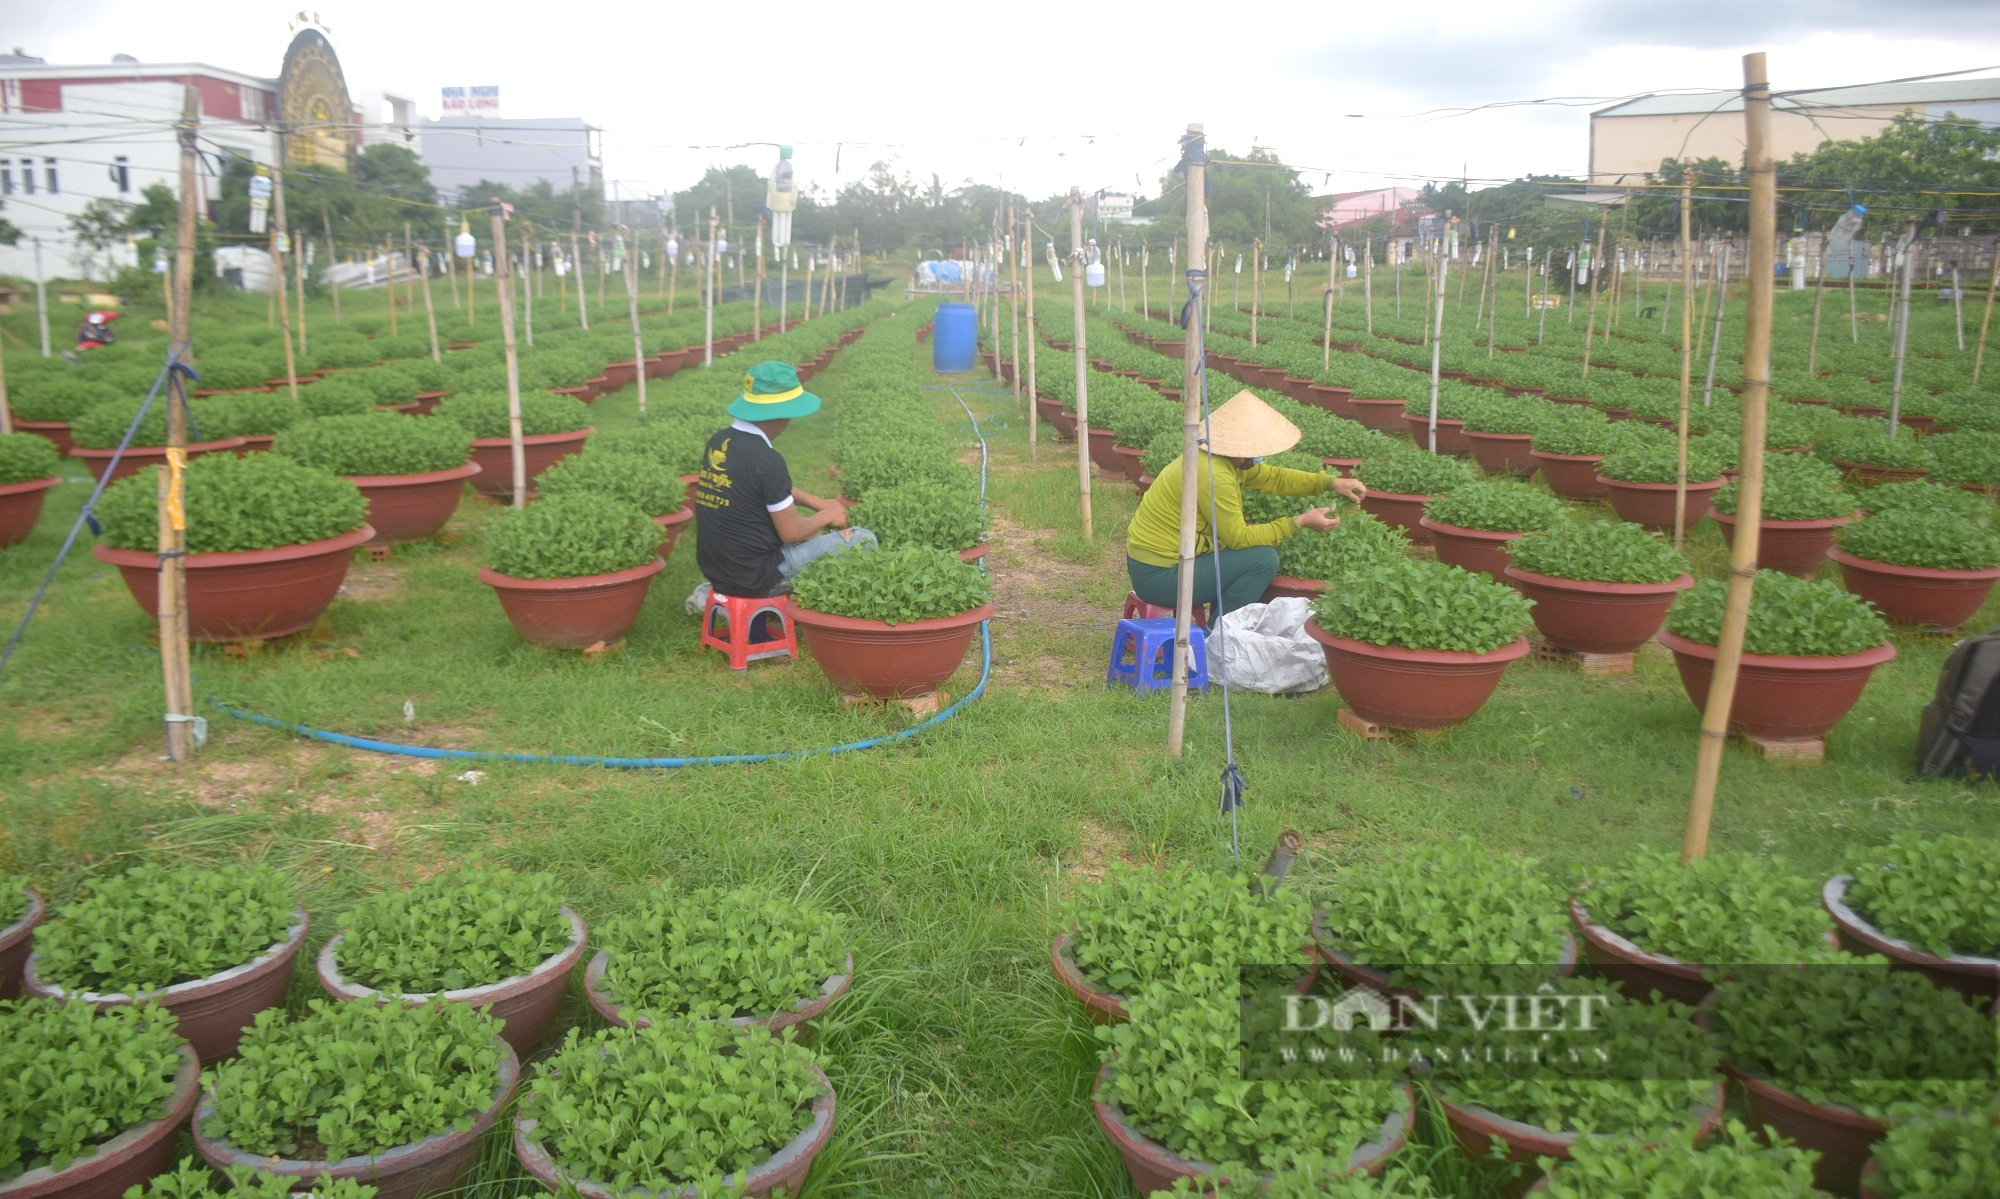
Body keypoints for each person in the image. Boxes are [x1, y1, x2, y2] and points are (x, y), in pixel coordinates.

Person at [1124, 390, 1366, 624]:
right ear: (1237, 448)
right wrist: (1299, 522)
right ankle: (1219, 635)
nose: (1258, 459)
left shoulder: (1221, 458)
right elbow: (1238, 538)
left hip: (1165, 561)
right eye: (1255, 452)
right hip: (1160, 576)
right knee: (1262, 560)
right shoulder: (1215, 474)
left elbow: (1275, 478)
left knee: (1248, 552)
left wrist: (1331, 482)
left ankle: (1218, 628)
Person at [691, 360, 875, 615]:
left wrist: (814, 501)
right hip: (759, 577)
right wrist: (827, 514)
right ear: (778, 414)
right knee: (862, 539)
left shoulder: (720, 441)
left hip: (720, 570)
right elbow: (791, 533)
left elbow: (766, 486)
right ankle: (827, 610)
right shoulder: (767, 460)